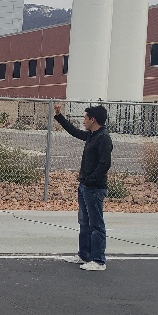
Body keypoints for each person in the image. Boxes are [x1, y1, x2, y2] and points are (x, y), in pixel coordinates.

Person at [54, 103, 113, 271]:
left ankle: (99, 260)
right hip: (85, 186)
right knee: (84, 223)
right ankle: (84, 255)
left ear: (93, 119)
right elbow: (73, 131)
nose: (83, 121)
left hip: (94, 188)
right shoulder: (91, 135)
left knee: (96, 225)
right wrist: (59, 116)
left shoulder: (103, 138)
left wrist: (90, 180)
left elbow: (104, 164)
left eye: (85, 118)